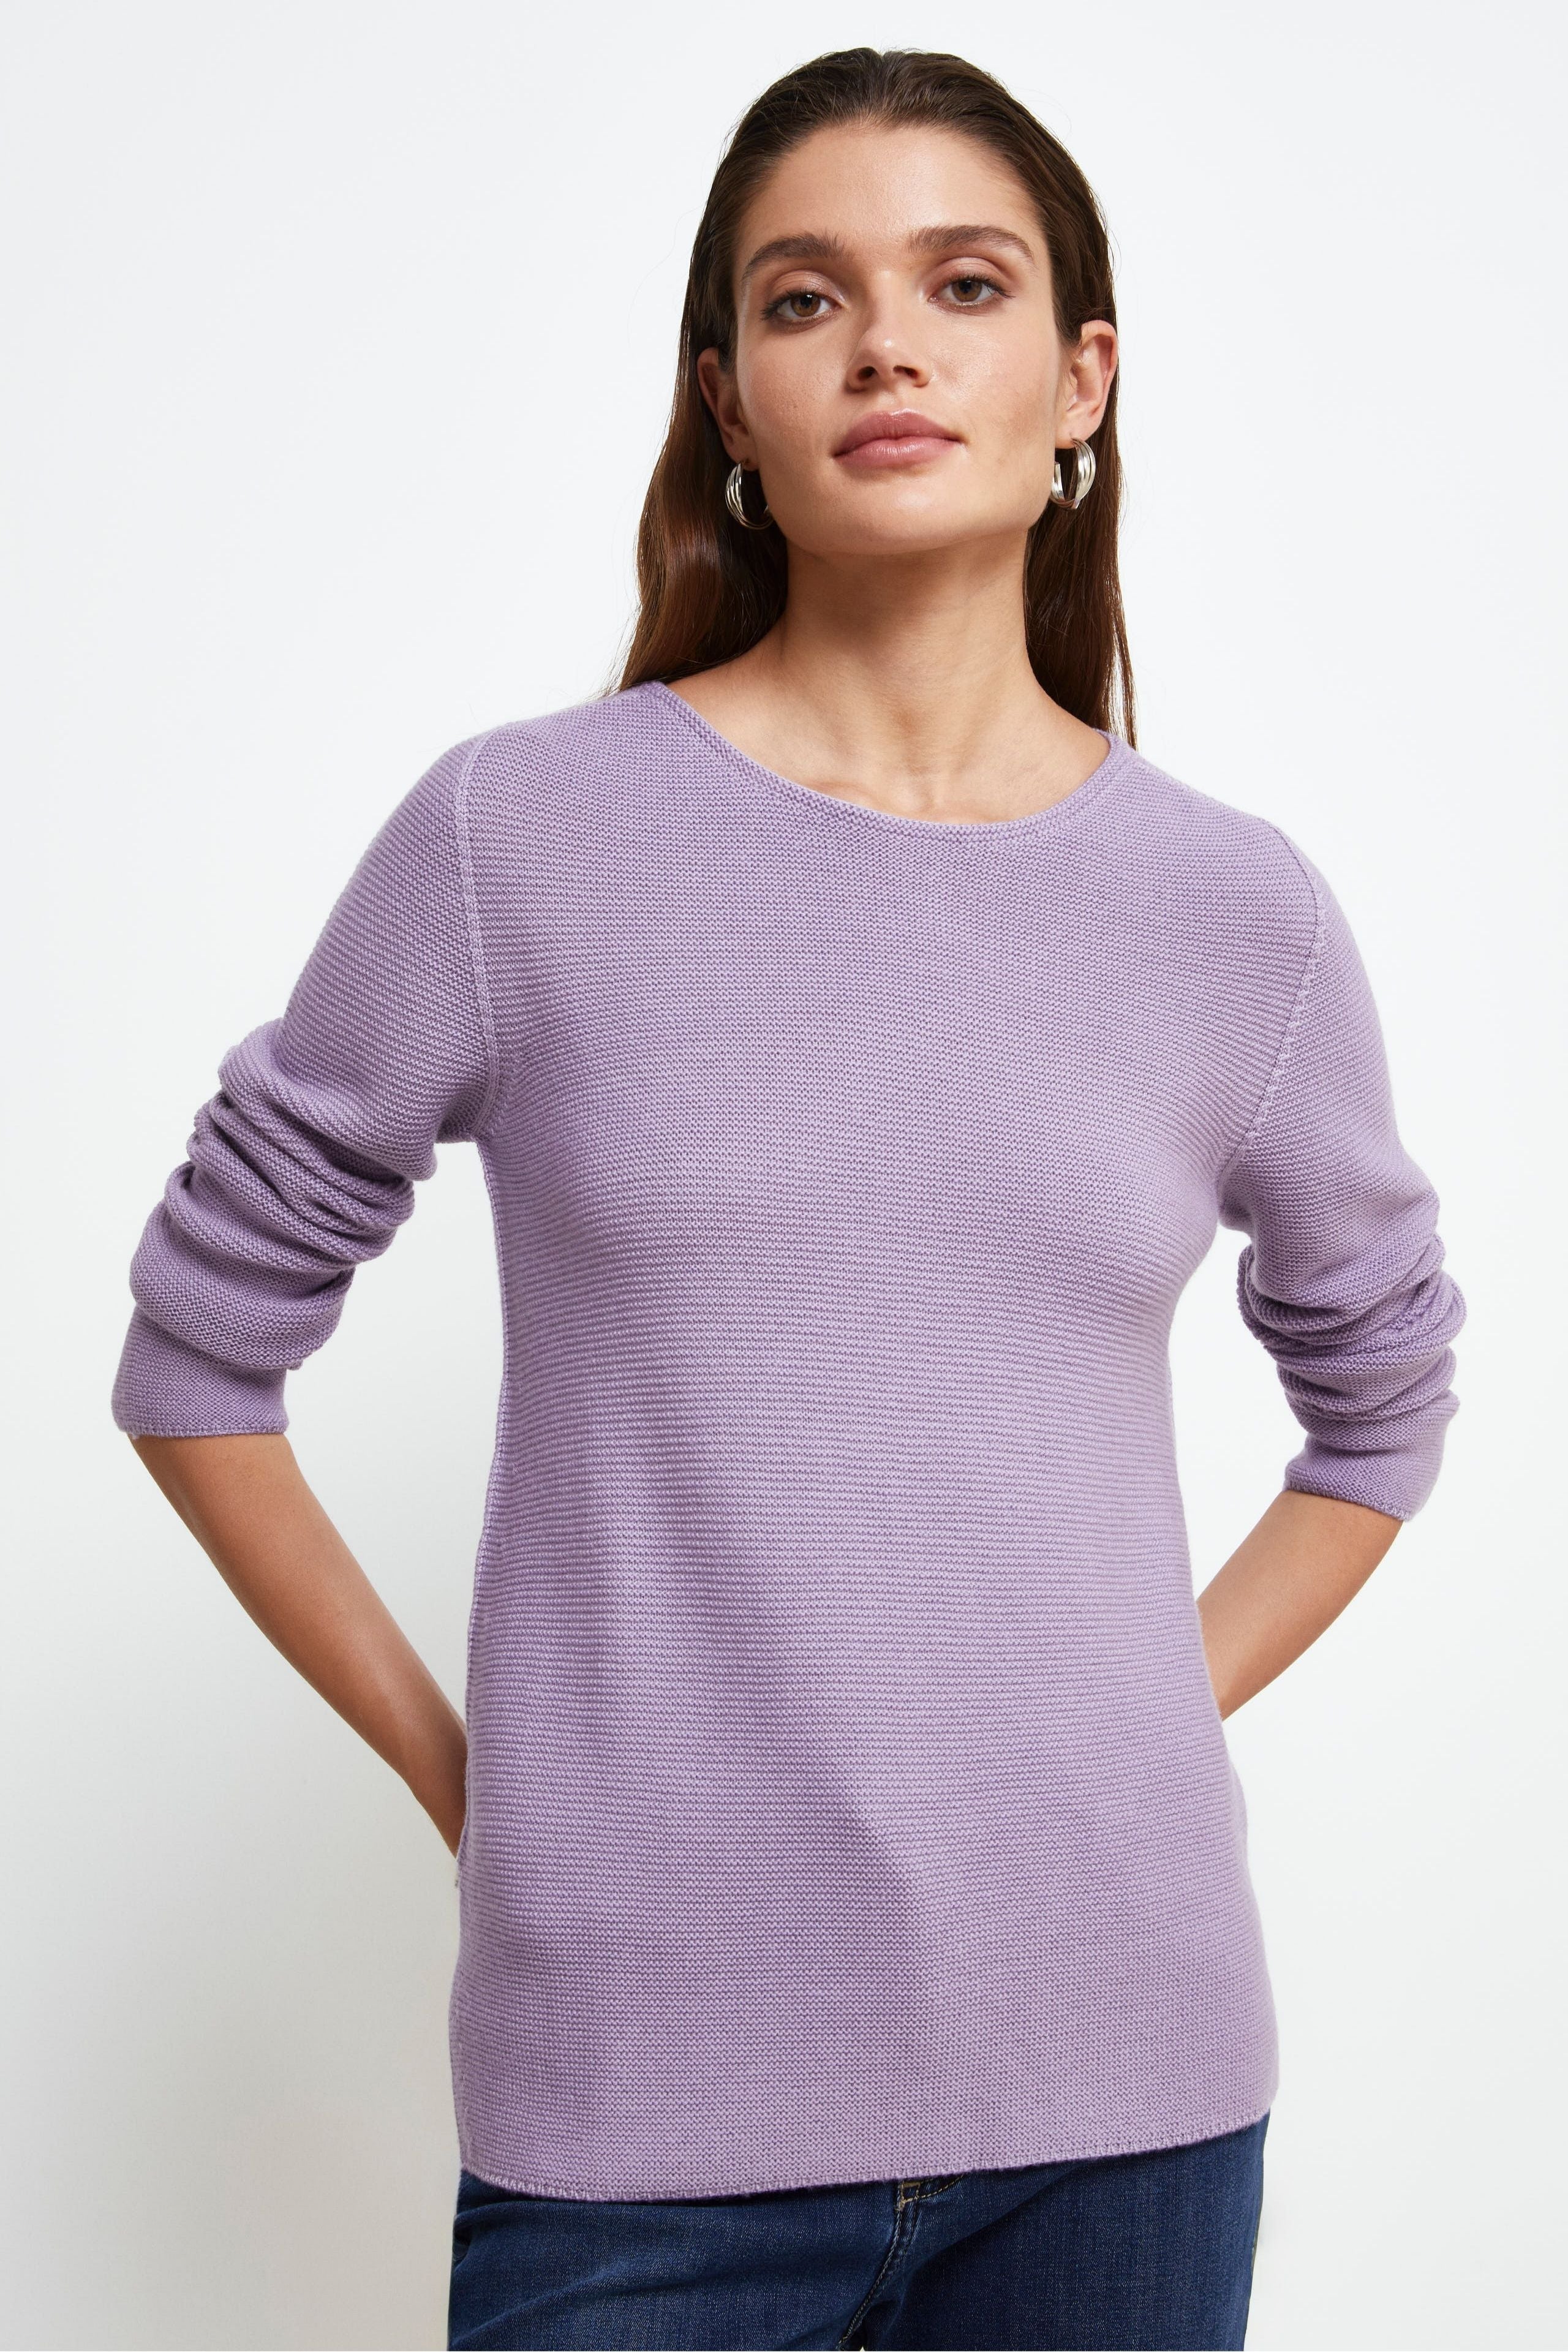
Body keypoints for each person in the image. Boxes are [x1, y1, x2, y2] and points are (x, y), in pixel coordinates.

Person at [110, 45, 1467, 2352]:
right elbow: (195, 1367)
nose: (889, 347)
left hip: (1129, 2092)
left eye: (965, 285)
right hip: (636, 2101)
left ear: (1083, 379)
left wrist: (1135, 1717)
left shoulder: (1238, 918)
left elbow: (1384, 1413)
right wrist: (481, 1790)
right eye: (807, 298)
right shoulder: (518, 841)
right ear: (729, 396)